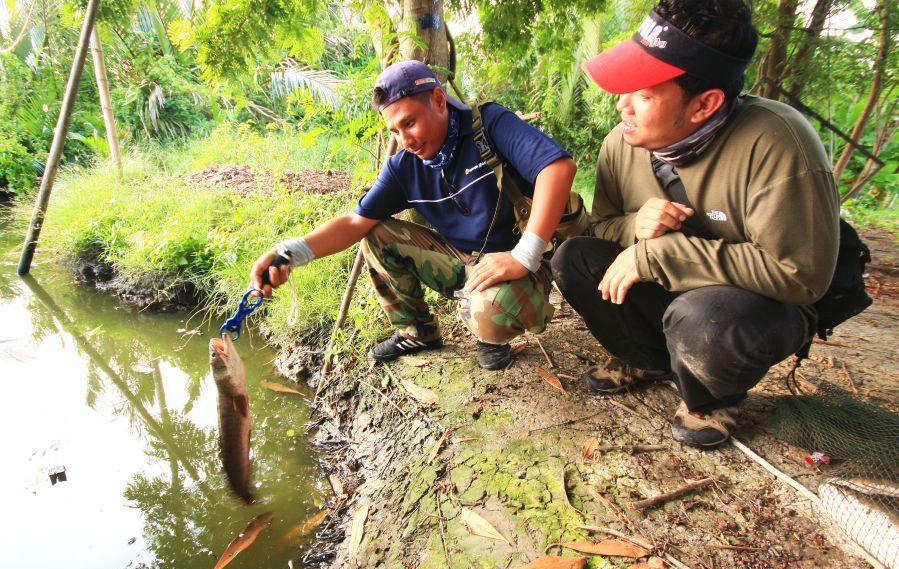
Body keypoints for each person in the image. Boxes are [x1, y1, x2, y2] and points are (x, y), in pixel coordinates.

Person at [551, 0, 840, 448]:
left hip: (752, 306)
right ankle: (645, 358)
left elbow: (799, 276)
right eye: (625, 88)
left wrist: (661, 253)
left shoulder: (779, 144)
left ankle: (711, 395)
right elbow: (602, 228)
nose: (621, 105)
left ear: (705, 104)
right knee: (573, 258)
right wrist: (634, 228)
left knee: (704, 317)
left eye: (643, 95)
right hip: (675, 292)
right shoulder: (620, 143)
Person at [251, 60, 576, 370]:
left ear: (438, 100)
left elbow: (557, 168)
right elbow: (353, 224)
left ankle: (492, 333)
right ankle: (418, 331)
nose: (404, 140)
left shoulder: (488, 124)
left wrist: (524, 255)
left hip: (522, 263)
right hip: (465, 261)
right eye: (394, 130)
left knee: (489, 314)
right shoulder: (403, 167)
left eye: (409, 123)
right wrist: (288, 253)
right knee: (375, 234)